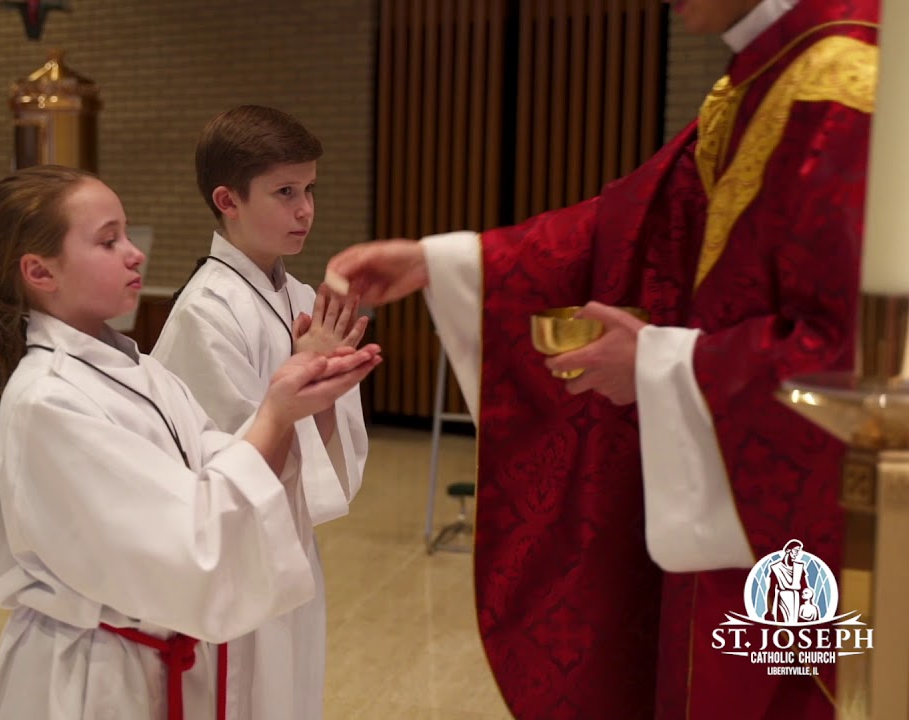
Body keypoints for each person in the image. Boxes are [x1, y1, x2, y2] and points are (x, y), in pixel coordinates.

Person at [324, 0, 878, 718]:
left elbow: (860, 360)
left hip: (798, 524)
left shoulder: (846, 79)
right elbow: (630, 224)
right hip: (732, 491)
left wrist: (655, 366)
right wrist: (446, 261)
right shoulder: (764, 72)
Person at [0, 165, 382, 720]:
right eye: (108, 241)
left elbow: (219, 469)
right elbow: (190, 541)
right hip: (95, 673)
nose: (134, 253)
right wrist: (277, 413)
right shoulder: (49, 400)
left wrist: (296, 401)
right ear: (40, 271)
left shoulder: (140, 370)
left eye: (127, 234)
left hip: (157, 651)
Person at [151, 105, 369, 719]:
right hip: (241, 556)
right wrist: (308, 383)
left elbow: (331, 451)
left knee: (293, 689)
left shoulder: (299, 297)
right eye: (285, 192)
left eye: (309, 190)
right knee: (249, 696)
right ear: (228, 199)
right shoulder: (208, 311)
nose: (306, 209)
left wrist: (328, 384)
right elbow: (226, 473)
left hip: (289, 544)